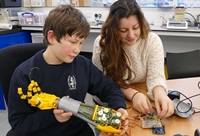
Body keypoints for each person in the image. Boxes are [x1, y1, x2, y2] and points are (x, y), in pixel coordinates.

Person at [8, 4, 128, 136]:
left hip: (78, 131)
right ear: (52, 37)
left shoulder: (82, 64)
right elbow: (18, 123)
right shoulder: (25, 74)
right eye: (72, 42)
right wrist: (52, 116)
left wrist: (119, 107)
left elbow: (108, 87)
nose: (78, 50)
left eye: (81, 42)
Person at [92, 0, 174, 118]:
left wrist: (160, 94)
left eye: (136, 27)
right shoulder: (102, 44)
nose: (131, 35)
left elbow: (155, 76)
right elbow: (105, 83)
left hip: (141, 98)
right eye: (123, 30)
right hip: (110, 103)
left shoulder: (152, 40)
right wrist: (133, 94)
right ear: (113, 29)